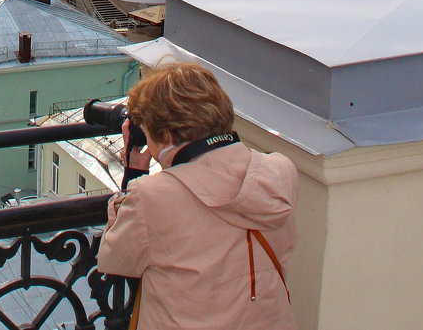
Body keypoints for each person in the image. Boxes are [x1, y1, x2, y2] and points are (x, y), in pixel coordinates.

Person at [98, 62, 298, 330]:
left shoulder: (151, 197)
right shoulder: (279, 170)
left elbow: (116, 260)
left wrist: (134, 174)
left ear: (167, 135)